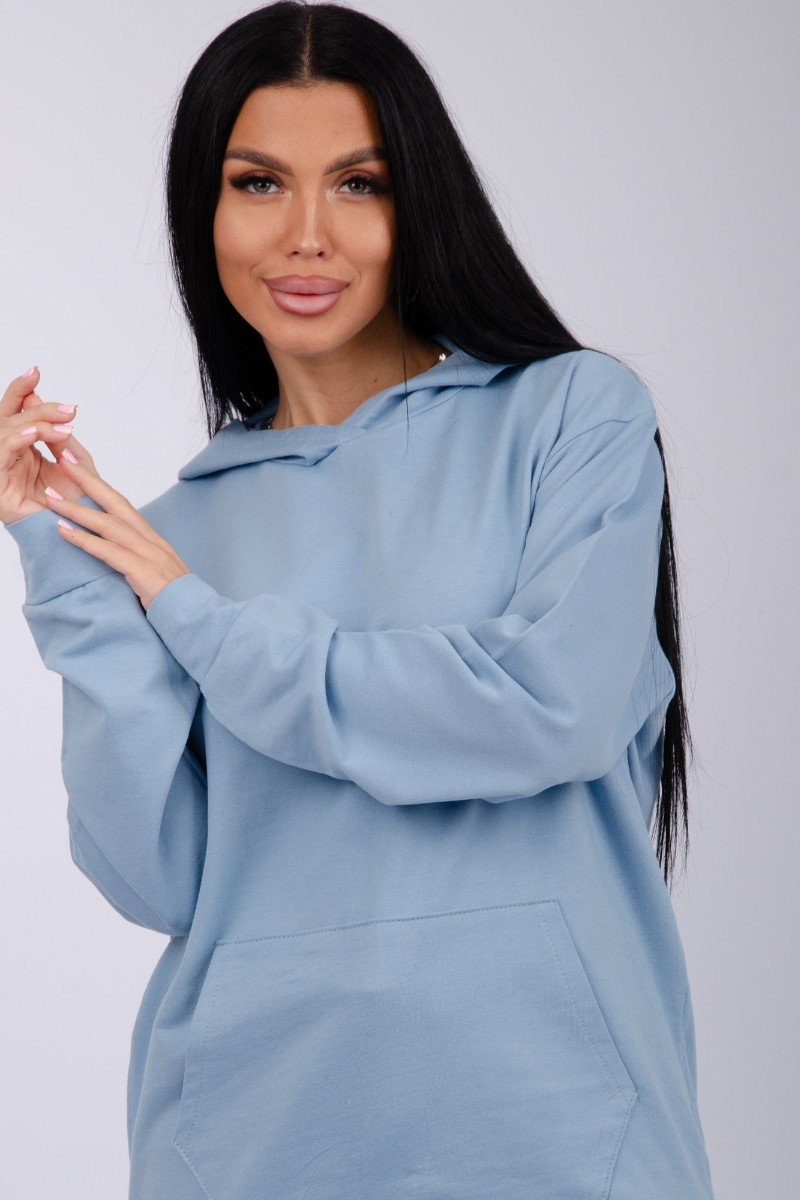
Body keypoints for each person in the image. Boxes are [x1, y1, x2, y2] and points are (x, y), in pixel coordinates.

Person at [0, 2, 716, 1197]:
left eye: (359, 183)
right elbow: (154, 876)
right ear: (203, 209)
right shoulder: (169, 537)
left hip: (557, 1135)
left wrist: (201, 622)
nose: (307, 236)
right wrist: (64, 561)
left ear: (417, 201)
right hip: (250, 1141)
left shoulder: (571, 417)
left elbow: (553, 706)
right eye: (258, 183)